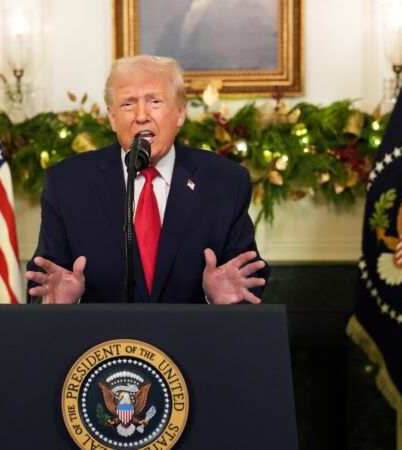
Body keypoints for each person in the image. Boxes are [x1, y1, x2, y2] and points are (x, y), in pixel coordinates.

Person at [25, 55, 269, 304]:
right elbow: (43, 284)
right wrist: (64, 303)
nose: (141, 115)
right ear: (112, 118)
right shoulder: (67, 183)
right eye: (128, 104)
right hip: (104, 331)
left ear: (180, 113)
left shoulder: (225, 181)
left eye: (155, 101)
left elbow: (247, 279)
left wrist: (219, 299)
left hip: (191, 330)